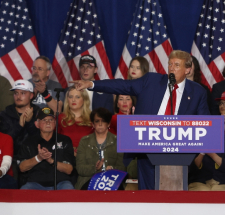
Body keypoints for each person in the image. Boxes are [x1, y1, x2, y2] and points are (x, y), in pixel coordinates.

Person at [72, 50, 210, 190]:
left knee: (173, 197)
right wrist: (92, 85)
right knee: (148, 198)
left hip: (178, 153)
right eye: (170, 64)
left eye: (176, 65)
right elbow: (123, 85)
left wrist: (200, 151)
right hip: (147, 148)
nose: (172, 68)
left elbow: (205, 125)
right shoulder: (151, 81)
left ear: (187, 69)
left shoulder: (197, 92)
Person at [18, 107, 75, 190]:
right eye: (44, 120)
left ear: (55, 123)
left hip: (61, 183)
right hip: (34, 183)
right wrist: (39, 158)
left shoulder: (65, 140)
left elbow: (69, 169)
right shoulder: (29, 141)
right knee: (23, 193)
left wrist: (51, 161)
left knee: (70, 192)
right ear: (36, 124)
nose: (48, 122)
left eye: (51, 120)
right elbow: (22, 167)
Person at [75, 108, 126, 190]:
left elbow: (123, 167)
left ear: (108, 124)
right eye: (97, 121)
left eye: (103, 121)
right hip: (88, 180)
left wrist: (112, 169)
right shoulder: (84, 141)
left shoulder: (118, 141)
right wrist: (95, 168)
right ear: (93, 124)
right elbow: (80, 168)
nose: (100, 124)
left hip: (112, 181)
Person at [0, 80, 40, 156]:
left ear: (31, 95)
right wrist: (19, 126)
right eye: (16, 93)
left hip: (33, 158)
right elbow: (3, 141)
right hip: (10, 157)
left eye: (23, 93)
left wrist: (29, 122)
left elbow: (40, 139)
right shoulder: (4, 115)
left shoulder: (39, 113)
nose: (18, 96)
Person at [58, 86, 94, 155]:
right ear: (67, 99)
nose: (73, 100)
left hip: (87, 157)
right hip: (65, 156)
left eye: (77, 97)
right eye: (70, 97)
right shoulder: (60, 118)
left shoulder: (92, 118)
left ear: (84, 100)